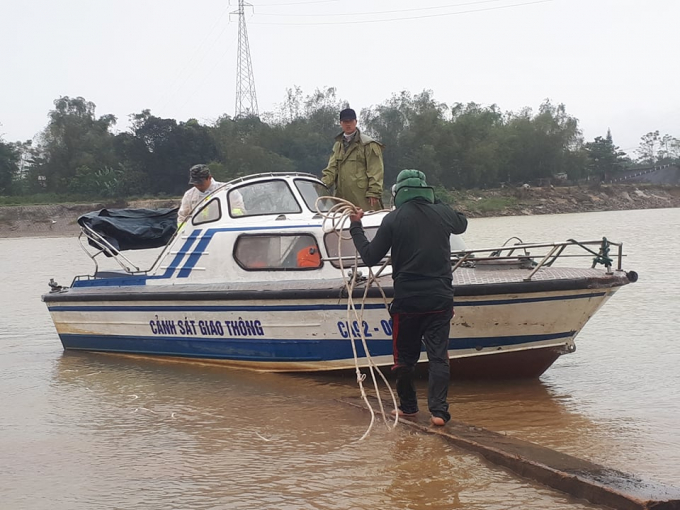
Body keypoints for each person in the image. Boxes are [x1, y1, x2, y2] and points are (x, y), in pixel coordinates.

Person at [348, 169, 468, 426]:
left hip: (408, 301)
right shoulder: (442, 213)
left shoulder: (393, 219)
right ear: (426, 189)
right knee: (438, 357)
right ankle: (438, 413)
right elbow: (462, 222)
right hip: (440, 299)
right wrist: (436, 201)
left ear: (398, 193)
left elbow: (370, 257)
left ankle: (409, 408)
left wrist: (356, 226)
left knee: (404, 359)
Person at [321, 108, 385, 211]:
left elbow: (376, 170)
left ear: (356, 122)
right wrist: (322, 186)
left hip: (363, 197)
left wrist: (374, 191)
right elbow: (331, 169)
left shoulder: (368, 144)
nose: (348, 124)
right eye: (345, 122)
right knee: (342, 225)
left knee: (365, 224)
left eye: (351, 121)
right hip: (342, 198)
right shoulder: (338, 145)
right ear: (340, 123)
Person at [177, 164, 245, 226]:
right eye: (195, 183)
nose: (198, 186)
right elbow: (182, 217)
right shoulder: (189, 195)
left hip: (221, 229)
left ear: (209, 178)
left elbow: (239, 209)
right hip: (197, 232)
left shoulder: (227, 190)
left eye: (200, 184)